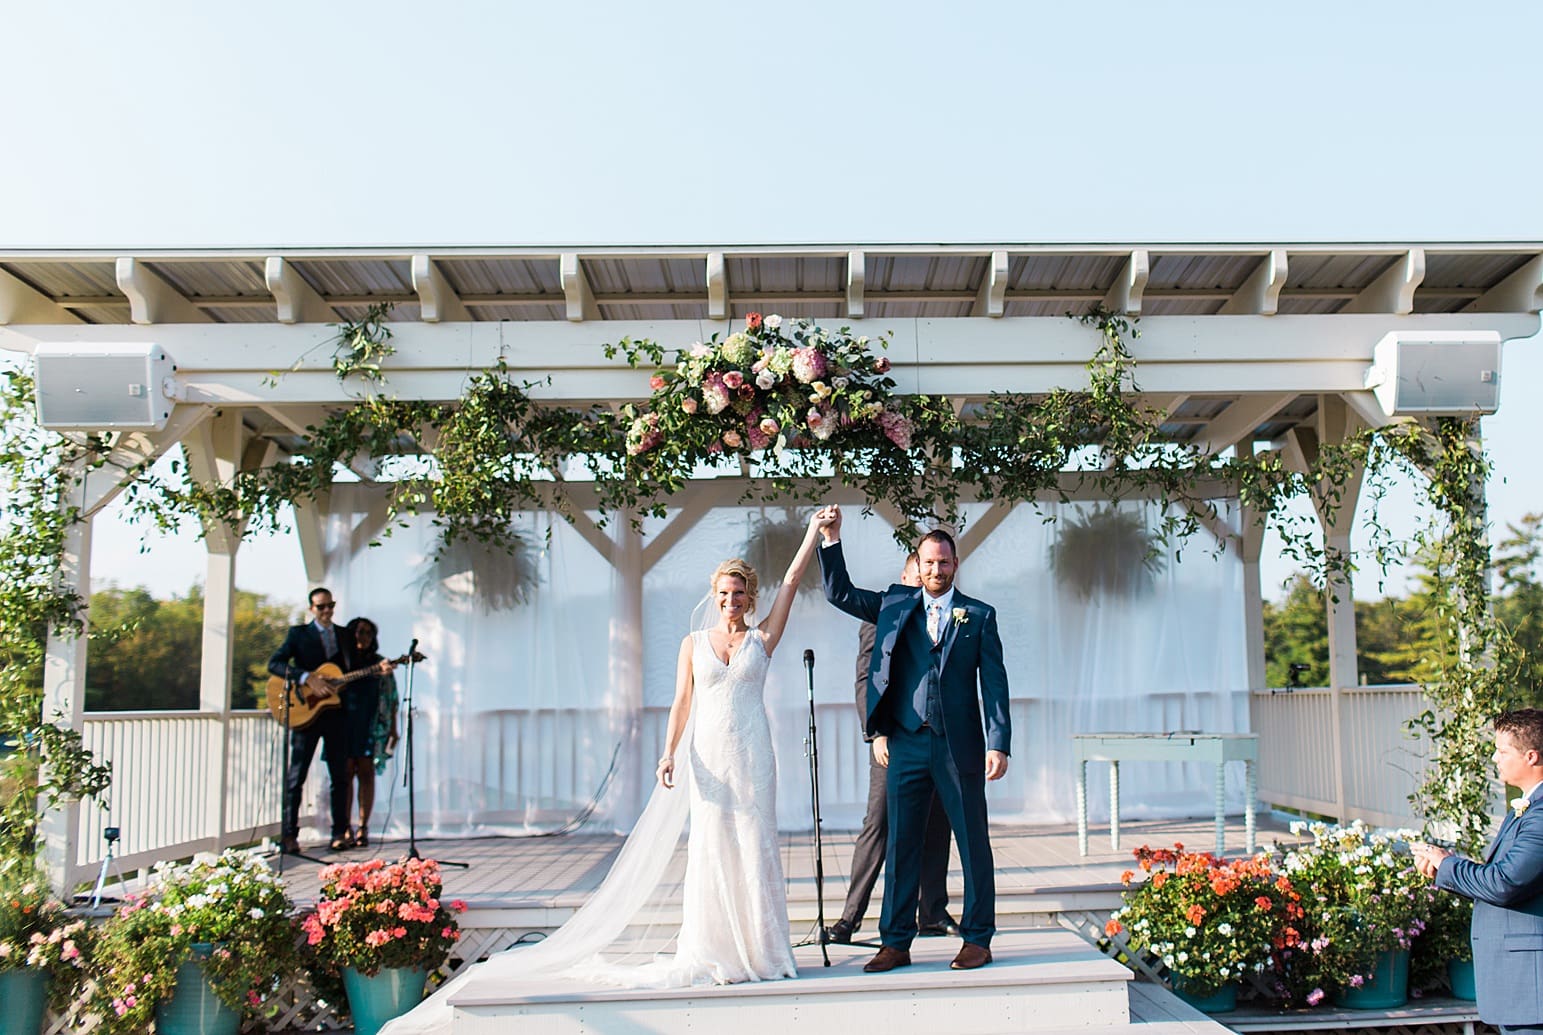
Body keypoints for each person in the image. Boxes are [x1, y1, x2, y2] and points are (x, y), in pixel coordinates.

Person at [379, 508, 833, 1035]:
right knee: (711, 848)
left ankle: (762, 949)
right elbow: (681, 702)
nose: (732, 601)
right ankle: (717, 949)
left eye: (739, 594)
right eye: (724, 593)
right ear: (715, 595)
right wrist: (668, 752)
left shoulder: (762, 639)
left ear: (750, 598)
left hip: (754, 755)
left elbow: (795, 578)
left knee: (754, 845)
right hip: (707, 754)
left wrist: (811, 534)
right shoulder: (693, 643)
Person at [818, 507, 1010, 973]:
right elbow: (839, 592)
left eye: (944, 563)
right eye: (929, 563)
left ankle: (978, 938)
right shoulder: (895, 605)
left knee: (972, 842)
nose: (936, 570)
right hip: (905, 743)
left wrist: (998, 741)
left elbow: (996, 683)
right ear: (918, 565)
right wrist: (831, 538)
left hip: (959, 745)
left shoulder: (979, 616)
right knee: (902, 842)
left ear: (955, 565)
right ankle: (896, 942)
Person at [827, 551, 957, 945]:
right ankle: (850, 917)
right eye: (918, 575)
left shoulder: (949, 614)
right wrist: (877, 734)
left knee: (937, 823)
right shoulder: (884, 611)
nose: (926, 581)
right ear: (904, 576)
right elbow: (866, 680)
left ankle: (932, 912)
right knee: (880, 823)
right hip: (892, 740)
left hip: (939, 739)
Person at [1412, 708, 1543, 1034]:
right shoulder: (1528, 806)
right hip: (1518, 987)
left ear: (1530, 756)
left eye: (1502, 751)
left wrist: (1447, 863)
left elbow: (1505, 883)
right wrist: (1443, 870)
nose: (1495, 758)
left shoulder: (1540, 814)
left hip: (1531, 986)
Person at [266, 587, 355, 853]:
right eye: (321, 607)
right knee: (297, 775)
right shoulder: (298, 634)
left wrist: (380, 667)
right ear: (311, 609)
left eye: (331, 605)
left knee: (340, 775)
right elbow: (275, 664)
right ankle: (289, 835)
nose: (327, 610)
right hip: (306, 713)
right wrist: (306, 678)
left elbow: (352, 668)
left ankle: (340, 832)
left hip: (336, 713)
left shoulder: (344, 635)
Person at [331, 617, 395, 850]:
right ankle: (343, 826)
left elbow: (392, 698)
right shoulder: (341, 662)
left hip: (369, 724)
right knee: (344, 774)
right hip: (342, 722)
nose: (364, 637)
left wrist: (393, 729)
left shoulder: (379, 663)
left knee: (366, 773)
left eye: (369, 632)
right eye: (359, 632)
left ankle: (363, 826)